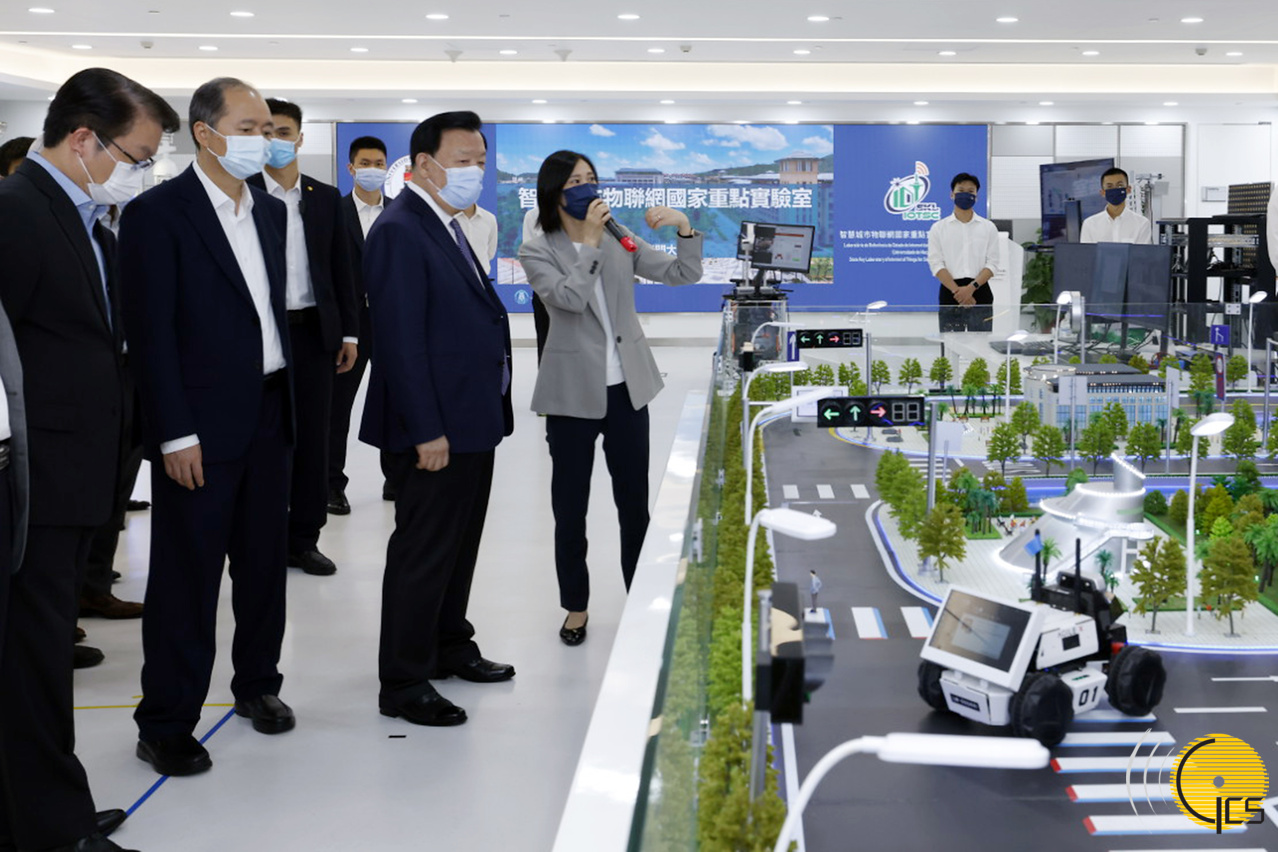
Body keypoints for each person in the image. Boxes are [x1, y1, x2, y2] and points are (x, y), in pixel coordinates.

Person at [0, 66, 178, 852]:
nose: (141, 173)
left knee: (42, 655)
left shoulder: (85, 220)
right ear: (82, 139)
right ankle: (53, 828)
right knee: (32, 660)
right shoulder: (18, 212)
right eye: (136, 157)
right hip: (35, 479)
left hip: (78, 476)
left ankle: (44, 811)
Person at [119, 76, 296, 778]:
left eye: (270, 129)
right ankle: (165, 722)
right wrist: (173, 433)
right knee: (186, 577)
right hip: (198, 427)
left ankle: (257, 684)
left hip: (271, 410)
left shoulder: (271, 211)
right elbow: (150, 334)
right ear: (205, 132)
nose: (264, 140)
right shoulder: (158, 214)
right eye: (250, 127)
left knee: (264, 567)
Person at [360, 110, 514, 727]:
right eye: (462, 161)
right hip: (433, 429)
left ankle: (450, 644)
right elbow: (399, 342)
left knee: (459, 545)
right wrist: (427, 429)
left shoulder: (448, 224)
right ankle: (403, 679)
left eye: (480, 161)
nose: (475, 171)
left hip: (471, 419)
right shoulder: (401, 229)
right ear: (424, 164)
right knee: (423, 553)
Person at [519, 150, 703, 645]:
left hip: (628, 390)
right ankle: (575, 608)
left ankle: (641, 600)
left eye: (591, 179)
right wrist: (589, 243)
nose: (588, 188)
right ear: (554, 193)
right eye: (575, 182)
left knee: (634, 508)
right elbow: (569, 300)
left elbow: (682, 274)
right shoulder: (537, 251)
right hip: (570, 397)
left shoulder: (621, 237)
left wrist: (684, 228)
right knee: (570, 511)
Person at [246, 98, 358, 576]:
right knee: (265, 438)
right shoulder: (243, 191)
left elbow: (342, 268)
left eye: (284, 132)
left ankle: (304, 538)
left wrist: (349, 332)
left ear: (300, 139)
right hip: (261, 335)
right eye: (266, 133)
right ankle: (261, 537)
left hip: (314, 334)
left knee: (314, 438)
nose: (275, 141)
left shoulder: (324, 197)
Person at [328, 134, 395, 513]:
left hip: (391, 322)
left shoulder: (402, 212)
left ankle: (396, 478)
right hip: (348, 327)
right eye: (365, 164)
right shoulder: (333, 212)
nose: (372, 170)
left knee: (396, 401)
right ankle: (331, 484)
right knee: (337, 409)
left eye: (379, 164)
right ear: (351, 168)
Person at [927, 172, 1000, 333]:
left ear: (977, 196)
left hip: (980, 291)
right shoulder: (938, 228)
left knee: (980, 343)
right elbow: (936, 264)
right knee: (950, 342)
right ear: (952, 194)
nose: (965, 194)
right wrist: (958, 292)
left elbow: (993, 264)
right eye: (960, 190)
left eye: (971, 191)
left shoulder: (988, 227)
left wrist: (971, 288)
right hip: (950, 292)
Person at [1080, 167, 1152, 245]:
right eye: (1109, 186)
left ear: (1128, 189)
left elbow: (1142, 252)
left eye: (1119, 185)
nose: (1114, 190)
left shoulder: (1142, 224)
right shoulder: (1090, 224)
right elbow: (1087, 252)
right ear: (1103, 192)